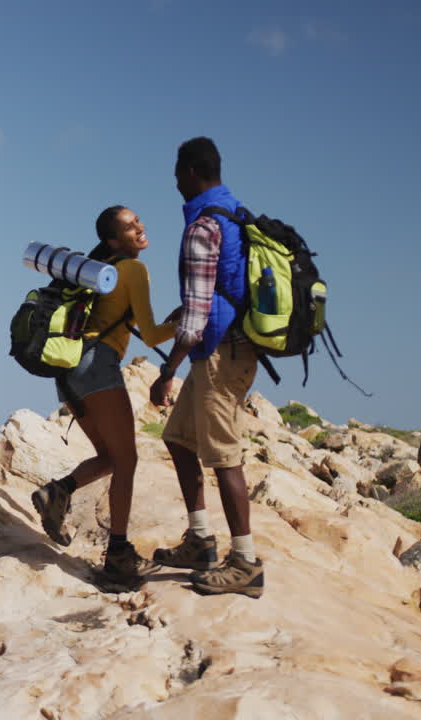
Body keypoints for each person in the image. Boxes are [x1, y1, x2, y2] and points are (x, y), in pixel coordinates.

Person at [31, 205, 178, 587]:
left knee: (112, 457)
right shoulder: (132, 270)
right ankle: (118, 554)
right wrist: (183, 322)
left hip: (70, 373)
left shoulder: (102, 270)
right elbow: (150, 332)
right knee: (126, 460)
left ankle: (57, 493)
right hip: (98, 367)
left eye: (138, 221)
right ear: (113, 240)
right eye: (130, 227)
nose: (139, 227)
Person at [148, 136, 265, 599]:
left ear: (192, 172)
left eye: (178, 173)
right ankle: (200, 541)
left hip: (219, 354)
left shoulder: (203, 226)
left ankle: (246, 564)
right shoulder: (232, 210)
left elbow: (196, 320)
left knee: (223, 458)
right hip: (223, 348)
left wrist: (166, 370)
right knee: (178, 439)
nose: (175, 181)